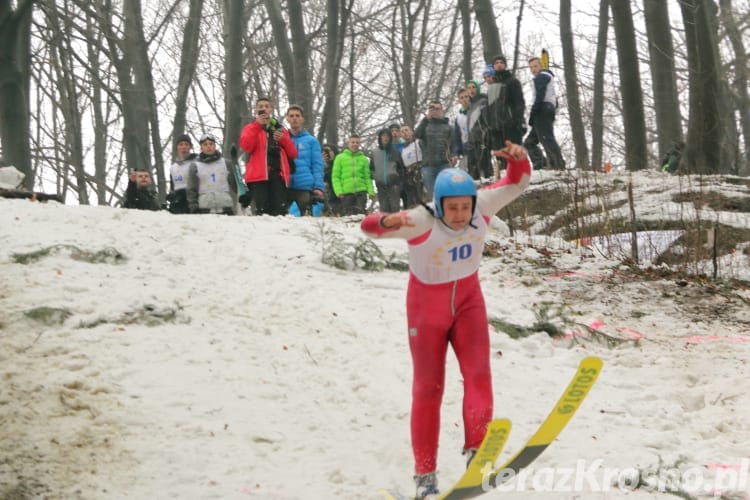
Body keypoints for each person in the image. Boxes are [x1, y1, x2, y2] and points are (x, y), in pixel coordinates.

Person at [360, 141, 532, 499]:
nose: (458, 214)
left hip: (469, 303)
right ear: (438, 205)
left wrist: (520, 160)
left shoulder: (481, 205)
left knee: (479, 374)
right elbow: (369, 226)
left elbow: (517, 183)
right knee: (428, 389)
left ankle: (477, 455)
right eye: (451, 208)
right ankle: (425, 477)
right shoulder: (420, 220)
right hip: (426, 311)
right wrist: (387, 221)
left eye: (463, 206)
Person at [239, 96, 298, 215]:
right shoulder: (250, 128)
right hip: (259, 177)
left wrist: (283, 140)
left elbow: (293, 153)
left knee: (280, 211)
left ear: (271, 110)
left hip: (278, 175)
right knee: (262, 211)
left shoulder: (280, 129)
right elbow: (246, 146)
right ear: (256, 110)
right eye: (260, 107)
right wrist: (257, 125)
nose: (264, 109)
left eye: (267, 106)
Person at [523, 56, 565, 170]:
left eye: (535, 66)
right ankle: (541, 164)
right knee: (529, 142)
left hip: (542, 109)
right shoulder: (547, 78)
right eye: (531, 67)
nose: (533, 69)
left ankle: (557, 164)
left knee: (547, 138)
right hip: (546, 109)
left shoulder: (542, 77)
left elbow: (540, 96)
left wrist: (533, 113)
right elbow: (554, 100)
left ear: (541, 66)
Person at [286, 105, 325, 215]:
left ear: (302, 119)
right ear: (287, 119)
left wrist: (318, 187)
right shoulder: (282, 139)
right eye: (291, 116)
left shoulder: (312, 141)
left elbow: (317, 165)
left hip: (304, 186)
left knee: (307, 218)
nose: (294, 118)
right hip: (285, 186)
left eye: (297, 116)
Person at [186, 134, 238, 215]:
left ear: (215, 146)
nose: (208, 146)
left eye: (211, 144)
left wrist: (244, 194)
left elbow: (236, 184)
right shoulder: (195, 166)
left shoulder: (226, 163)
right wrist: (194, 207)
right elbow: (191, 189)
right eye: (205, 144)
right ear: (201, 148)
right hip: (205, 209)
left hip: (226, 208)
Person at [414, 100, 455, 199]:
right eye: (432, 108)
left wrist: (453, 156)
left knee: (448, 193)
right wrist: (425, 120)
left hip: (444, 164)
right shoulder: (425, 125)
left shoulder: (449, 127)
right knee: (433, 195)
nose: (435, 111)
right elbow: (417, 135)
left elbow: (453, 144)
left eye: (437, 109)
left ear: (442, 111)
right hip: (428, 166)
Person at [487, 55, 526, 149]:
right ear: (493, 66)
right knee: (501, 158)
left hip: (511, 125)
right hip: (496, 129)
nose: (499, 64)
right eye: (496, 63)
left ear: (505, 65)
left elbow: (519, 103)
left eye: (501, 62)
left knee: (515, 155)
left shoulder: (512, 81)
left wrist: (517, 120)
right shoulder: (492, 86)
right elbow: (490, 108)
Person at [331, 133, 374, 215]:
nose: (355, 144)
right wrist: (338, 191)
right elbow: (335, 177)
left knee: (360, 214)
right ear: (348, 143)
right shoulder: (340, 158)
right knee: (348, 215)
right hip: (346, 193)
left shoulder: (364, 159)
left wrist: (370, 191)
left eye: (357, 142)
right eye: (353, 142)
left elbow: (367, 177)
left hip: (361, 191)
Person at [371, 127, 403, 213]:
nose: (385, 138)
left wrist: (398, 181)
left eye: (387, 136)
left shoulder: (395, 152)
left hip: (394, 185)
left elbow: (401, 169)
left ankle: (396, 226)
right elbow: (372, 169)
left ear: (390, 138)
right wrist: (376, 178)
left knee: (395, 208)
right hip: (381, 186)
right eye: (383, 136)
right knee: (384, 209)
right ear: (380, 138)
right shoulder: (374, 152)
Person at [167, 134, 197, 214]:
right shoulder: (173, 167)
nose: (183, 147)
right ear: (177, 147)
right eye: (181, 144)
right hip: (178, 203)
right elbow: (173, 187)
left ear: (190, 147)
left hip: (192, 201)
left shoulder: (196, 162)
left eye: (186, 144)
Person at [400, 124, 423, 208]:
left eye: (406, 130)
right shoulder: (403, 150)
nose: (405, 133)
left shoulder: (418, 143)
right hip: (409, 178)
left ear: (411, 132)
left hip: (420, 175)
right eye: (402, 132)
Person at [322, 143, 341, 215]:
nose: (326, 153)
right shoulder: (322, 165)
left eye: (328, 151)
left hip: (338, 196)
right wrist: (322, 163)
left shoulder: (339, 164)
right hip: (327, 197)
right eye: (324, 151)